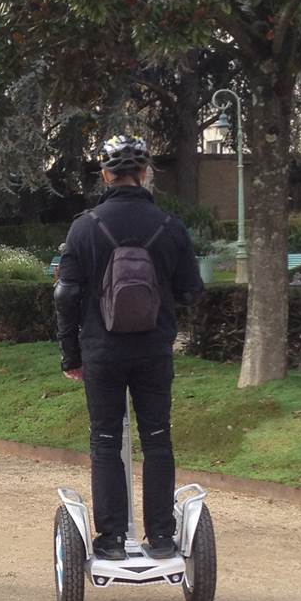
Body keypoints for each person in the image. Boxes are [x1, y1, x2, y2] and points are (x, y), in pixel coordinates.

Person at [55, 135, 203, 561]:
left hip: (101, 351)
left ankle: (112, 540)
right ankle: (161, 538)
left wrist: (71, 354)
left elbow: (65, 295)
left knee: (105, 441)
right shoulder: (170, 226)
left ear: (104, 174)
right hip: (154, 350)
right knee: (157, 438)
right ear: (144, 173)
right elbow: (192, 291)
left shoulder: (84, 227)